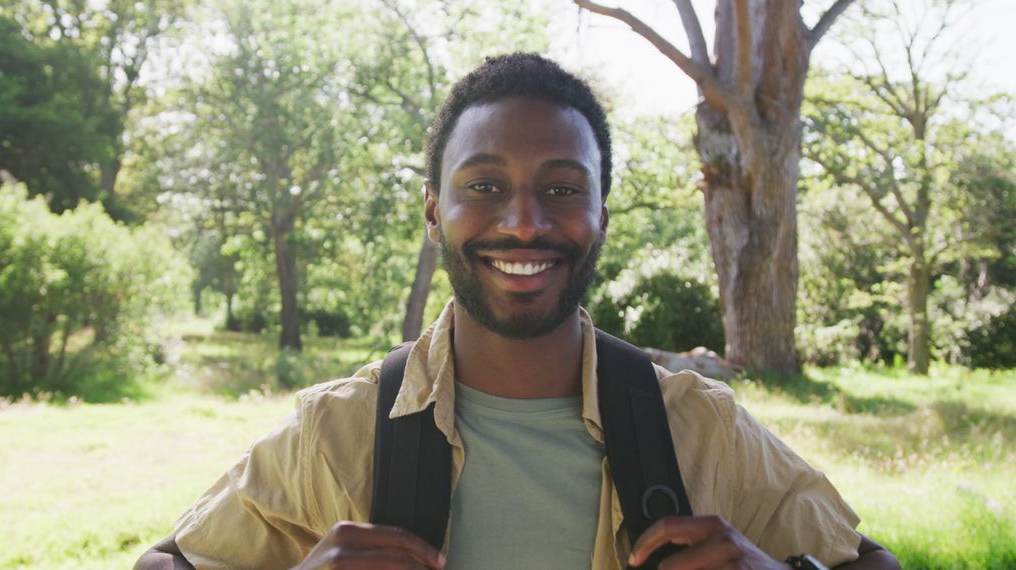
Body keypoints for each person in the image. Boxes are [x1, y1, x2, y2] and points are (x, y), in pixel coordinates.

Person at [136, 53, 900, 570]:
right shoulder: (336, 432)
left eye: (564, 188)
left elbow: (867, 560)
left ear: (602, 214)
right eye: (485, 186)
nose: (527, 223)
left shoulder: (701, 428)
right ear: (435, 212)